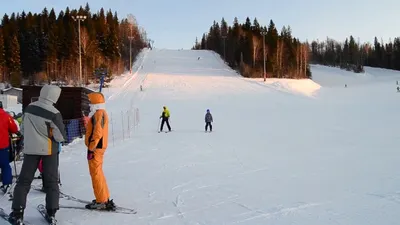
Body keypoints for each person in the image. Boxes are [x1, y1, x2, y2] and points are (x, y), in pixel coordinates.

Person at [9, 84, 66, 224]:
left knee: (23, 182)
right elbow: (61, 137)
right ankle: (51, 212)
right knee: (52, 182)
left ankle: (17, 213)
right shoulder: (54, 113)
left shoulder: (29, 108)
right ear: (55, 96)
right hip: (49, 151)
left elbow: (22, 129)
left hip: (30, 149)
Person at [84, 92, 115, 210]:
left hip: (96, 148)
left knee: (95, 174)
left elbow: (97, 133)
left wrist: (91, 148)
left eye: (91, 102)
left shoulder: (99, 114)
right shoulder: (100, 113)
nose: (89, 105)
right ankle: (104, 197)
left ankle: (101, 200)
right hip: (98, 148)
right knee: (98, 172)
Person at [0, 106, 19, 193]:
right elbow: (14, 129)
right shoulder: (6, 116)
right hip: (3, 145)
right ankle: (6, 184)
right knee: (5, 165)